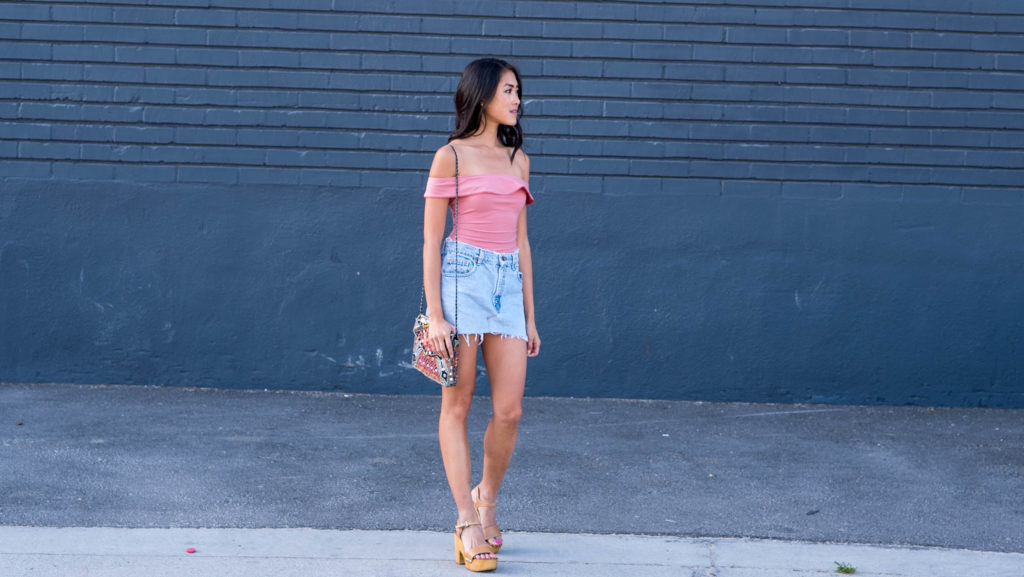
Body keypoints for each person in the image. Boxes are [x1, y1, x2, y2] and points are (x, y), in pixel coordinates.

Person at [421, 57, 540, 572]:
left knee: (510, 409)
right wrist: (436, 314)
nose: (517, 100)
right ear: (485, 94)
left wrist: (531, 316)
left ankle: (487, 496)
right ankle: (467, 521)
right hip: (461, 282)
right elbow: (430, 241)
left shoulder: (519, 161)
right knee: (459, 405)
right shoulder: (451, 156)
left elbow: (522, 242)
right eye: (509, 91)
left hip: (505, 286)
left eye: (519, 92)